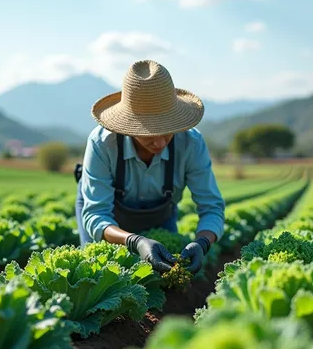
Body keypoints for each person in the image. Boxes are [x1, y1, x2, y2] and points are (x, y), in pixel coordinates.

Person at [74, 59, 225, 275]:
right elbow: (96, 214)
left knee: (166, 273)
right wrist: (135, 241)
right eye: (150, 133)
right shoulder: (102, 143)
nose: (161, 143)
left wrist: (202, 242)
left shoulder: (190, 143)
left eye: (168, 130)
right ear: (127, 126)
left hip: (161, 218)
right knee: (99, 276)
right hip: (107, 219)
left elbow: (212, 206)